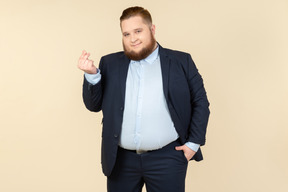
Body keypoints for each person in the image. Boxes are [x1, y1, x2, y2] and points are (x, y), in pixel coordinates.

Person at [77, 6, 210, 192]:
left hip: (167, 159)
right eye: (126, 34)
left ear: (152, 29)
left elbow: (200, 102)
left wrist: (193, 144)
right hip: (121, 161)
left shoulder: (181, 61)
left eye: (138, 31)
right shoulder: (109, 63)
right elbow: (93, 105)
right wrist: (92, 75)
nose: (133, 39)